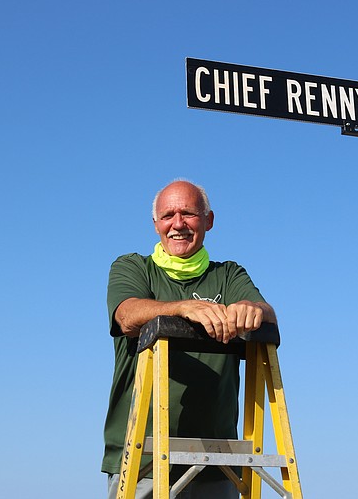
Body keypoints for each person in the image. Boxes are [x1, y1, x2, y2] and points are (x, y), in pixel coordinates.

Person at [102, 179, 276, 498]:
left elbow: (266, 310)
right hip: (143, 459)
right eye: (168, 215)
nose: (177, 224)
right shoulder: (132, 267)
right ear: (155, 224)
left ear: (208, 220)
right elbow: (126, 314)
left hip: (219, 460)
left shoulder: (229, 275)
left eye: (188, 213)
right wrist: (182, 308)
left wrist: (251, 309)